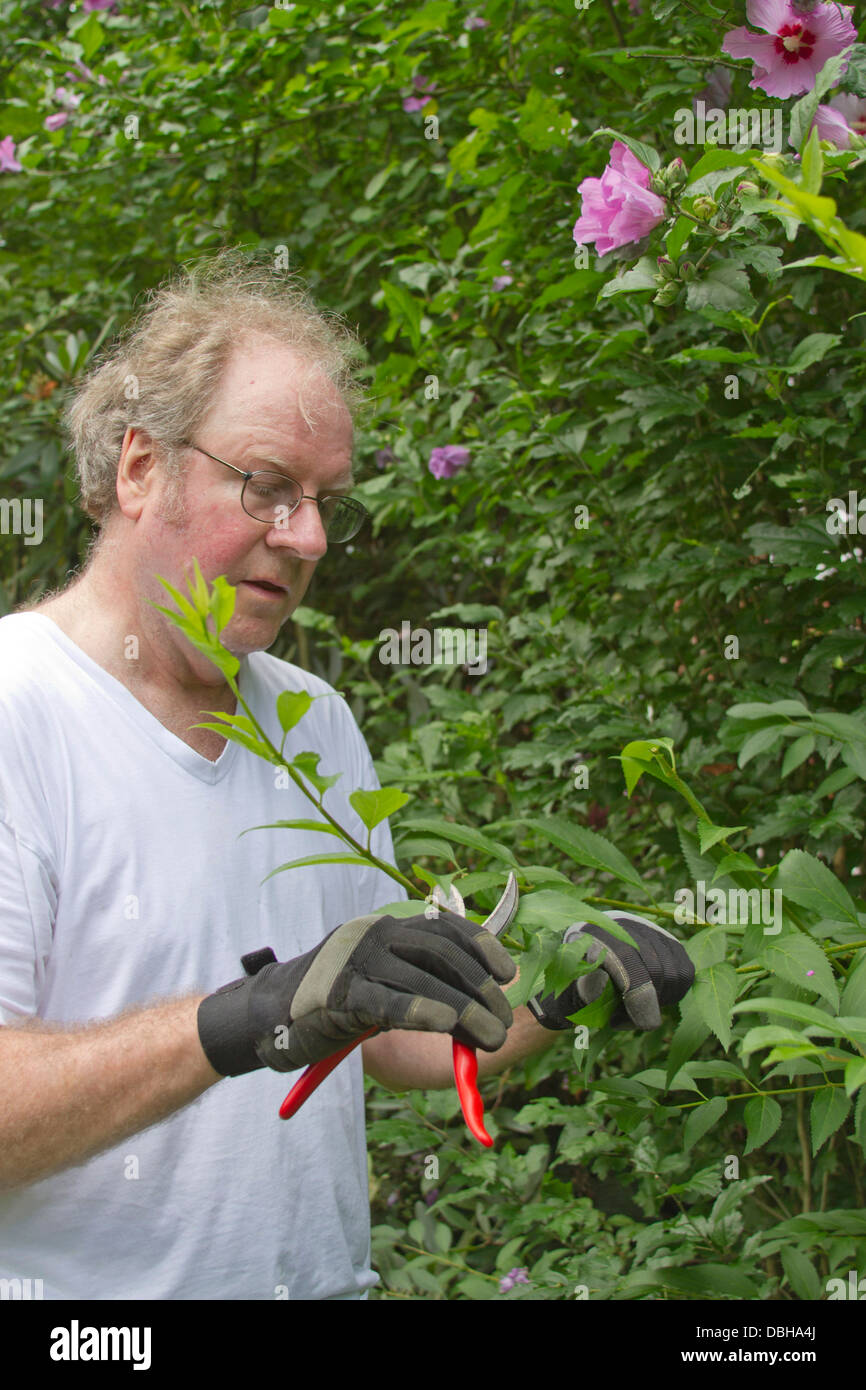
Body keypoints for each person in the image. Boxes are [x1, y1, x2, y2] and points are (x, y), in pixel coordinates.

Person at [0, 251, 693, 1301]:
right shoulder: (20, 711)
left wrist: (554, 994)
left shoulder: (311, 722)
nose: (309, 536)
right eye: (267, 486)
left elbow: (374, 1032)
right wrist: (249, 1014)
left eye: (324, 500)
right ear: (140, 468)